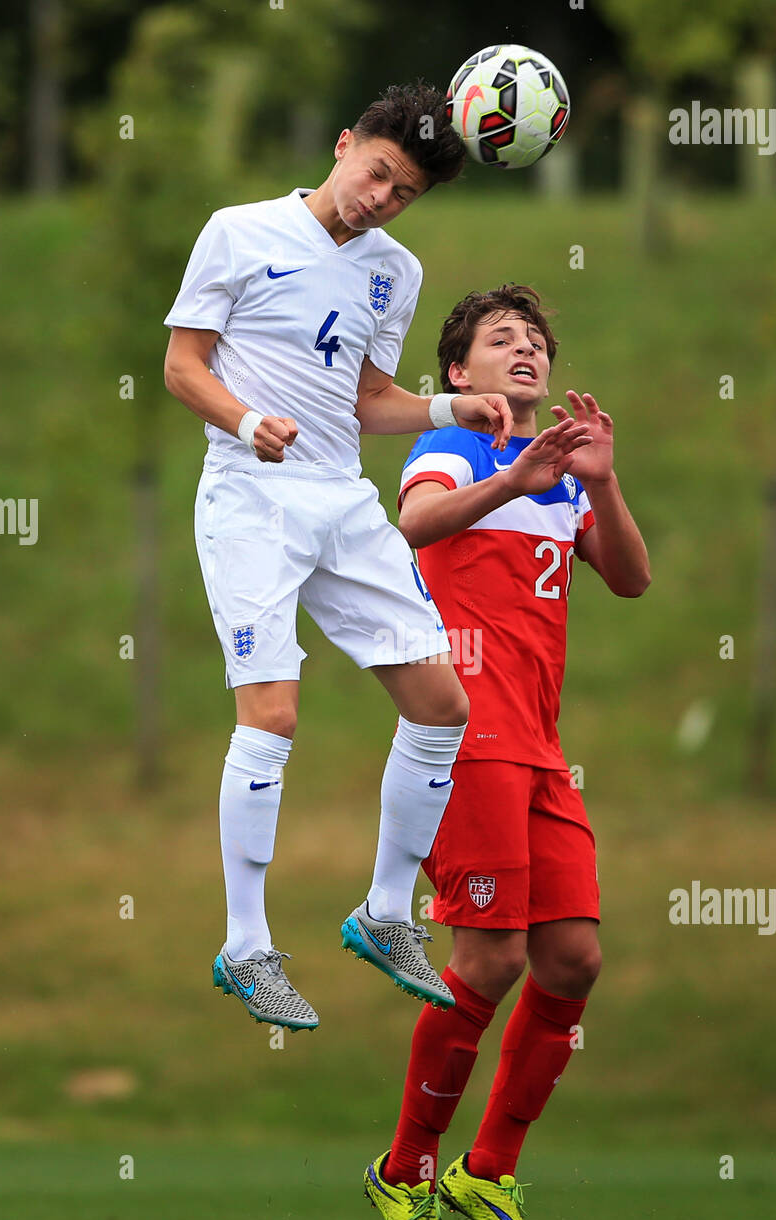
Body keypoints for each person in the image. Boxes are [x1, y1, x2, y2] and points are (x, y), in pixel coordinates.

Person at [163, 85, 517, 1032]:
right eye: (375, 173)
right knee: (272, 715)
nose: (378, 197)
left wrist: (452, 410)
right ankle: (246, 946)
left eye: (402, 192)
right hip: (249, 498)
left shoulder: (393, 273)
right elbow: (181, 365)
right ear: (342, 145)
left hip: (341, 503)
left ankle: (386, 913)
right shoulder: (238, 232)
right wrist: (245, 419)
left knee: (443, 703)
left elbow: (365, 399)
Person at [365, 284, 650, 1220]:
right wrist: (513, 478)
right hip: (467, 736)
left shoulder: (562, 474)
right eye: (500, 339)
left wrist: (597, 483)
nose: (524, 350)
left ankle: (488, 1169)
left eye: (534, 340)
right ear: (458, 373)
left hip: (538, 744)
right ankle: (405, 1169)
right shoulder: (454, 449)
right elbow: (416, 525)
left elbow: (630, 579)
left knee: (570, 960)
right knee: (487, 961)